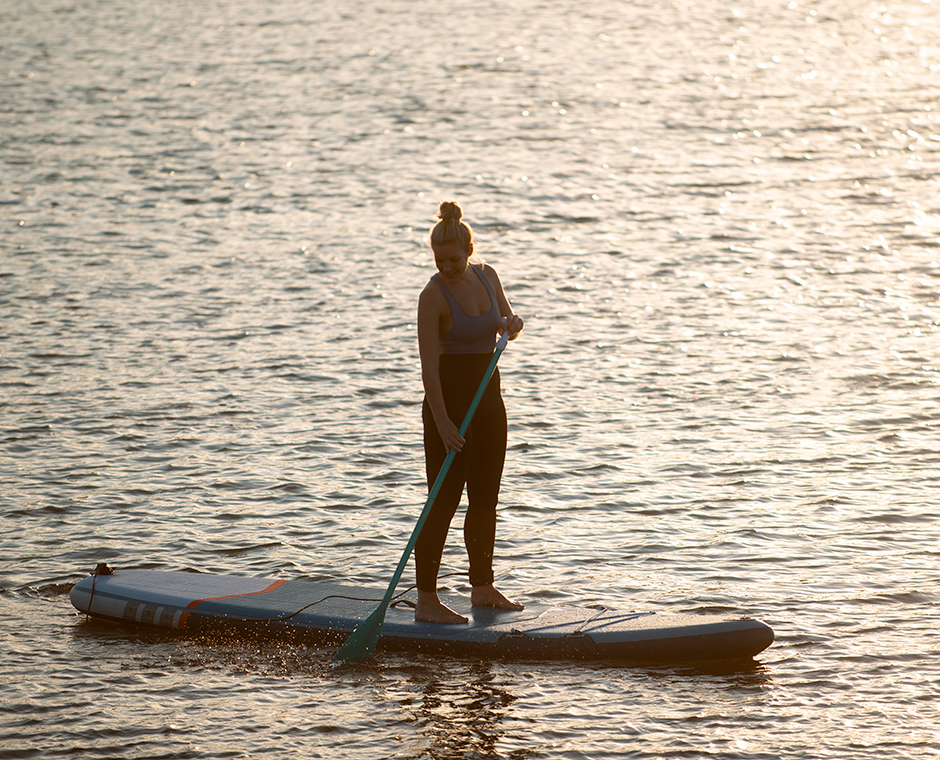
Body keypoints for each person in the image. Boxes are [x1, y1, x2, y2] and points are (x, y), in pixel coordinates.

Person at [414, 200, 525, 625]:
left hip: (487, 400)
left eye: (454, 259)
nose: (447, 267)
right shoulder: (431, 297)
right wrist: (442, 423)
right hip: (449, 406)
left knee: (484, 498)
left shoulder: (486, 275)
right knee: (442, 500)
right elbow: (428, 368)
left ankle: (482, 588)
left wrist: (513, 324)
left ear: (469, 251)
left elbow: (504, 321)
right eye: (439, 260)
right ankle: (426, 599)